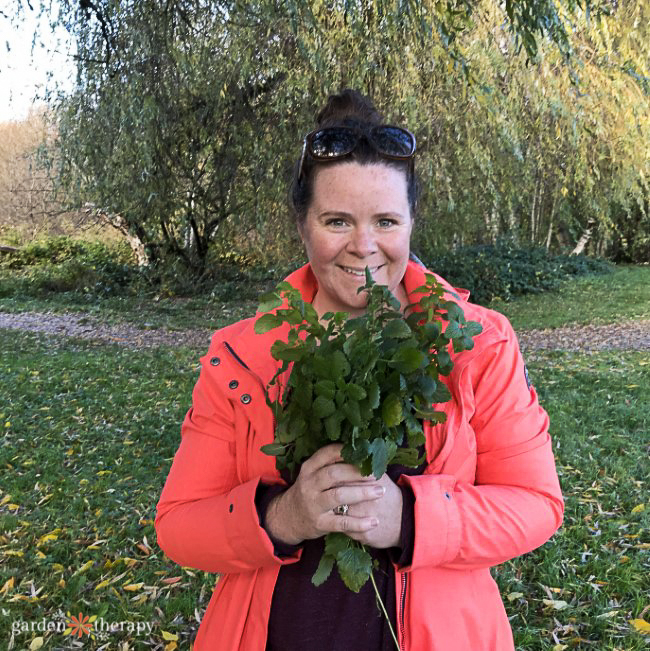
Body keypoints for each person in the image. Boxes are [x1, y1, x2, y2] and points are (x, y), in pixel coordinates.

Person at [155, 89, 564, 651]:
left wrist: (412, 519)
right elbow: (178, 525)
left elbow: (536, 504)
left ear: (412, 222)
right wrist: (282, 517)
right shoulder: (242, 357)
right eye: (338, 220)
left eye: (387, 220)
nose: (364, 247)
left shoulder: (478, 343)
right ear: (302, 225)